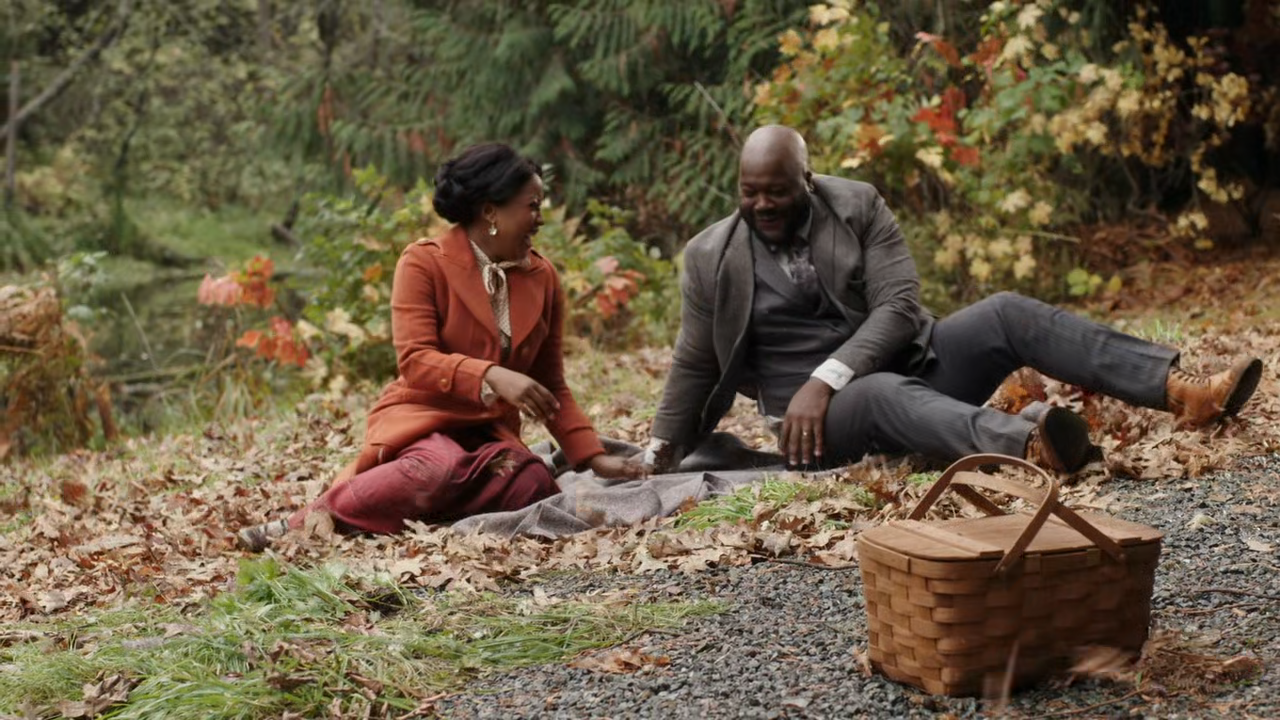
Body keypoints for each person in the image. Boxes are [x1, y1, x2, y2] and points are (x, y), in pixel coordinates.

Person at [641, 125, 1263, 475]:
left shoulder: (856, 204)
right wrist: (659, 451)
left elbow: (898, 307)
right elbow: (695, 361)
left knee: (1005, 311)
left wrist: (827, 376)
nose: (762, 206)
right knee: (879, 393)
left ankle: (1184, 393)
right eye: (749, 193)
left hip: (907, 366)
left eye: (776, 192)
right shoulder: (710, 256)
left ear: (807, 180)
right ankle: (1030, 448)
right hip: (817, 426)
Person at [239, 143, 642, 551]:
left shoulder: (544, 277)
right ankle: (299, 523)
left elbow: (551, 384)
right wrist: (491, 375)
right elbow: (415, 360)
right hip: (422, 418)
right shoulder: (422, 262)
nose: (540, 219)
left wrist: (592, 457)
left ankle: (422, 511)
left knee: (533, 482)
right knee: (438, 467)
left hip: (489, 433)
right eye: (532, 206)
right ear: (491, 212)